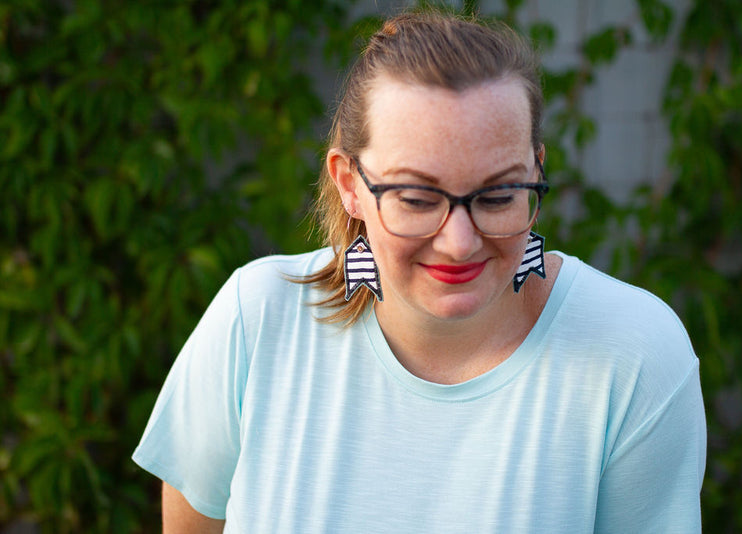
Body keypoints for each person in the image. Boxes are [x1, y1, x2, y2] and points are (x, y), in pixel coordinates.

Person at [133, 11, 706, 533]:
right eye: (415, 197)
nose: (458, 243)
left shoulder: (634, 355)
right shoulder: (256, 320)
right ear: (349, 184)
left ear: (536, 169)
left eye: (500, 194)